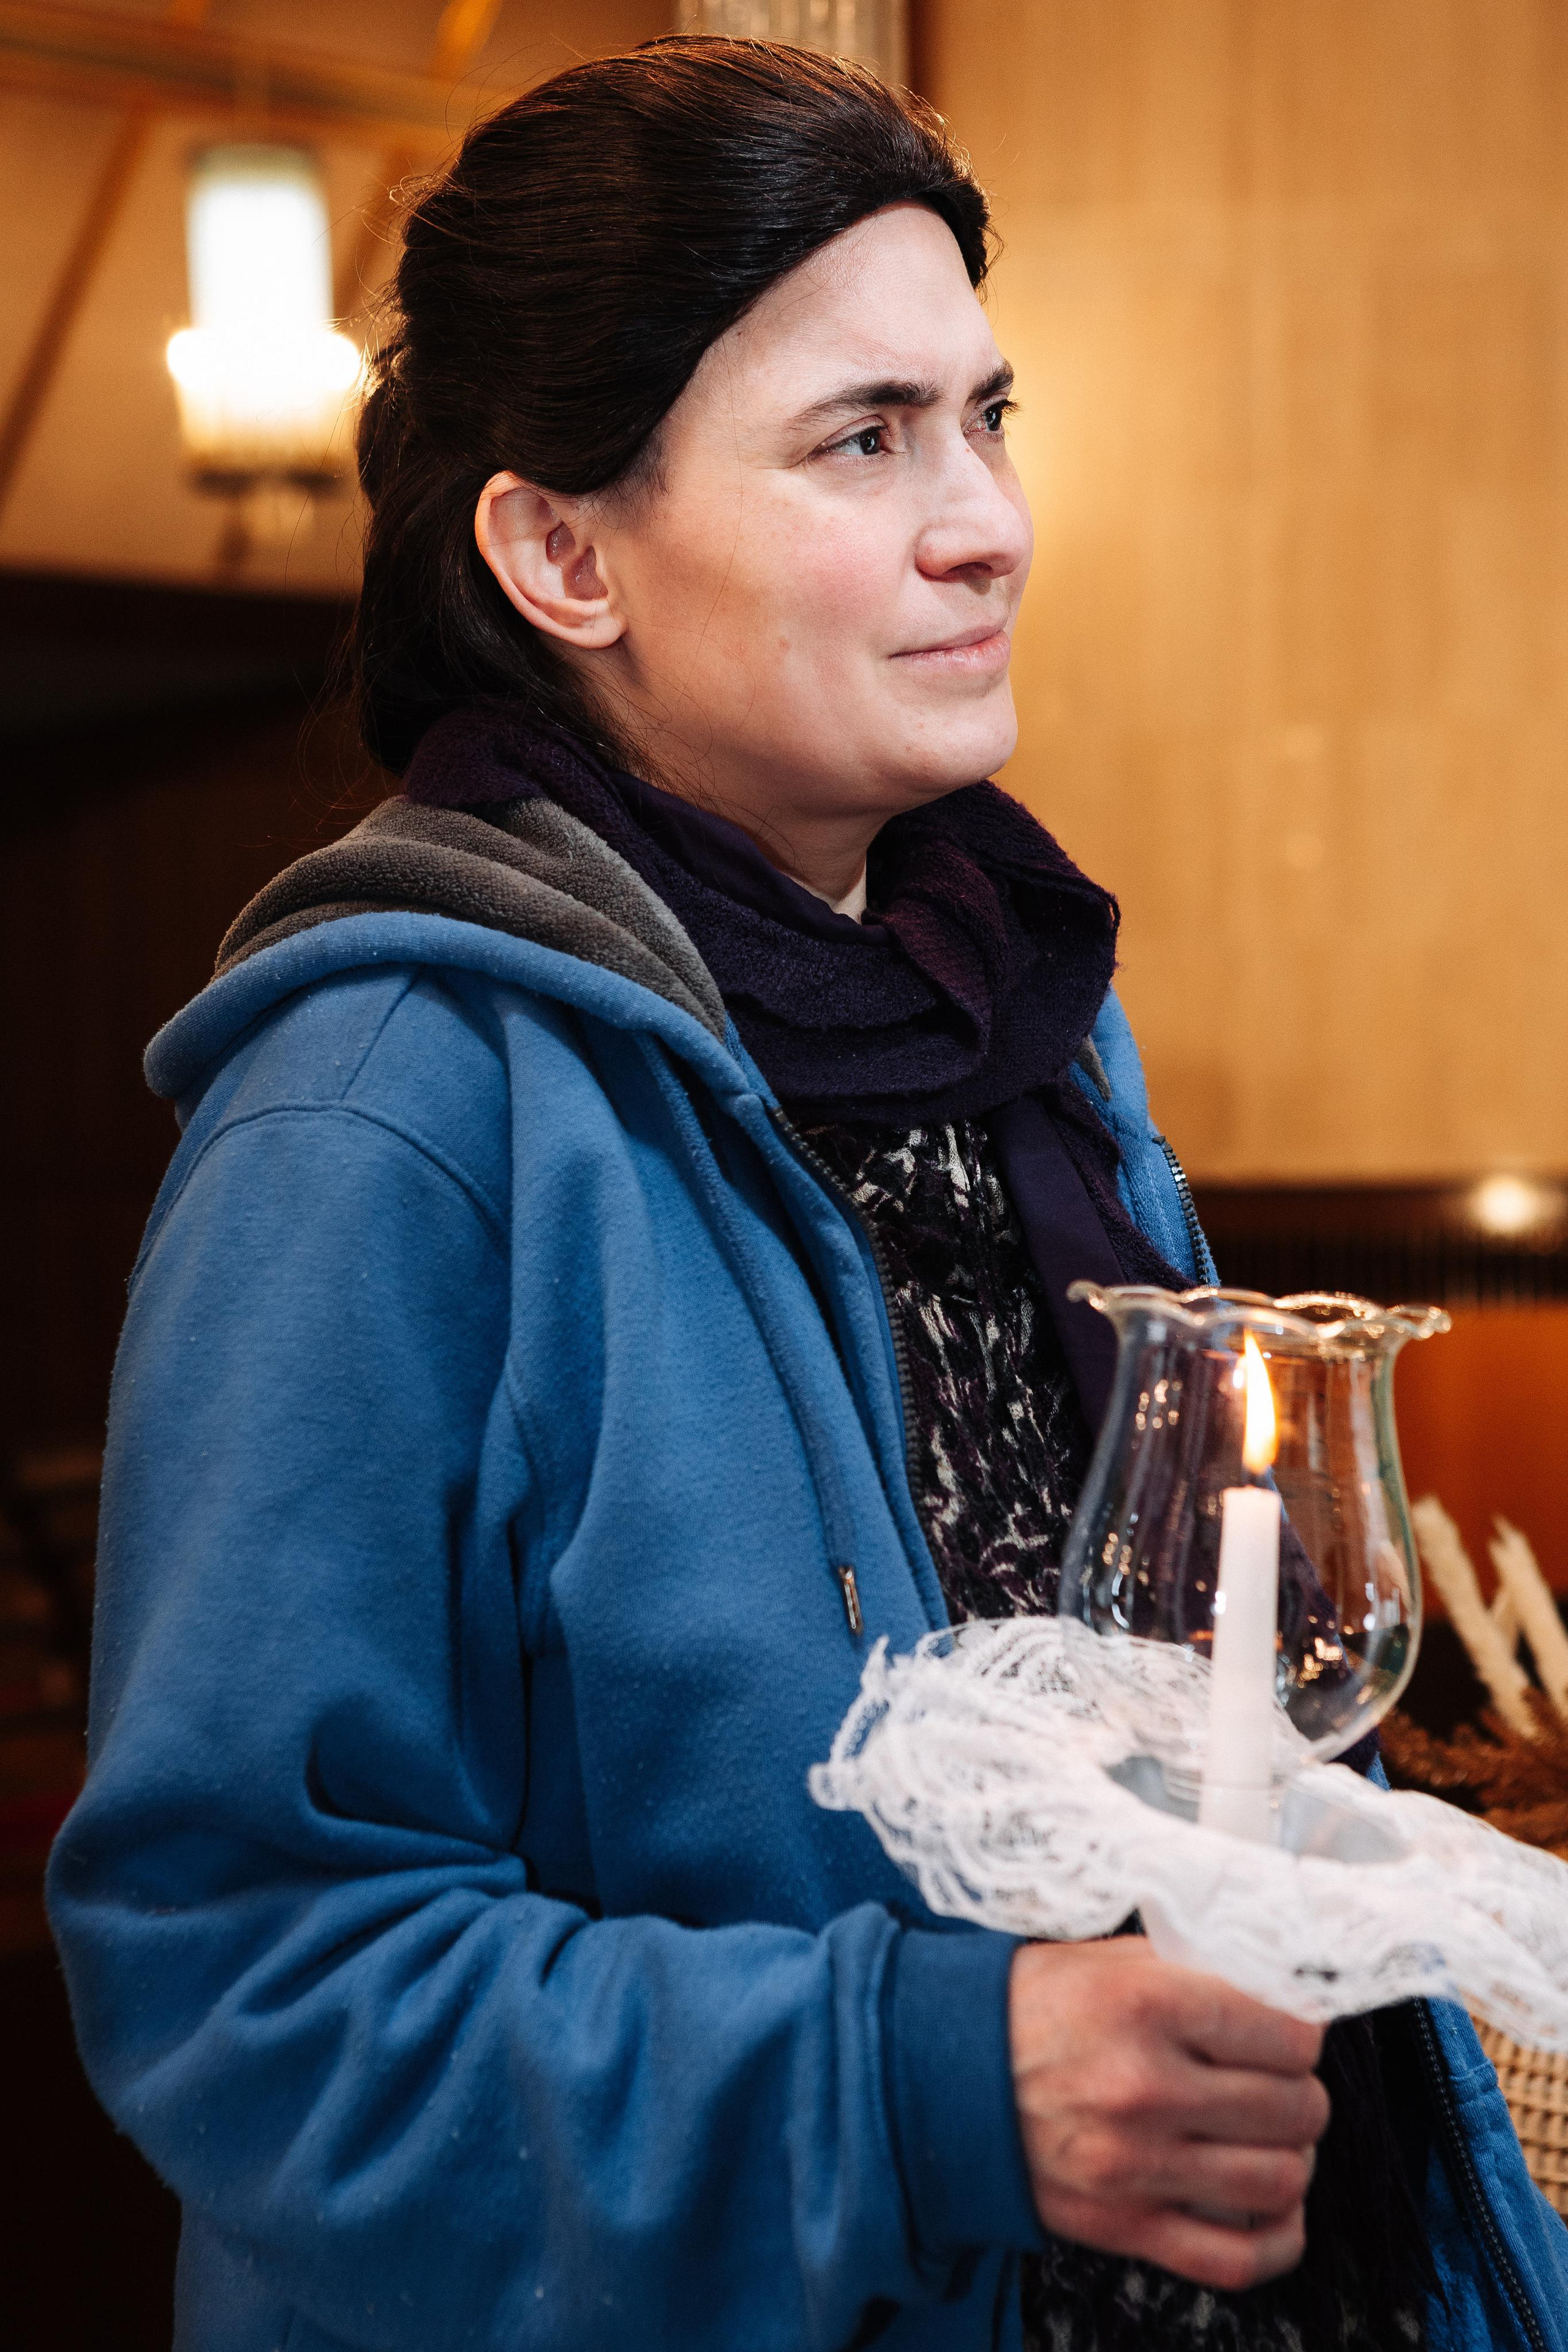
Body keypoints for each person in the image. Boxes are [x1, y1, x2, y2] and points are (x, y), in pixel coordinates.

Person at [47, 37, 1567, 2352]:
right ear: (562, 553)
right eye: (866, 439)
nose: (988, 520)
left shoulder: (1013, 1011)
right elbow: (247, 1993)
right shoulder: (379, 1110)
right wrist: (921, 2089)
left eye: (988, 415)